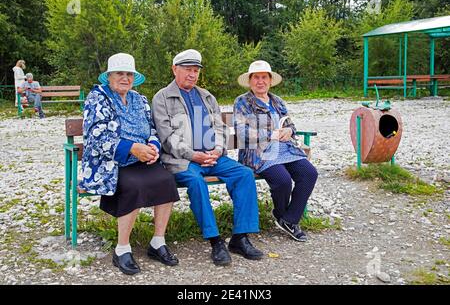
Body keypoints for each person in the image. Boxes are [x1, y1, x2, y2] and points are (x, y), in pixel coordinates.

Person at [152, 49, 263, 266]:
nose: (192, 75)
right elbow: (167, 138)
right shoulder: (162, 98)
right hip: (182, 160)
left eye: (195, 71)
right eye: (187, 70)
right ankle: (215, 241)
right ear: (175, 69)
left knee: (244, 174)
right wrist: (194, 155)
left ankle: (240, 237)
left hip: (212, 157)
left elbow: (220, 128)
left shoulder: (206, 96)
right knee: (196, 182)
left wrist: (218, 150)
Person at [78, 53, 180, 275]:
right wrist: (132, 148)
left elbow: (152, 129)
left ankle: (157, 242)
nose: (125, 78)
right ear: (109, 77)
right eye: (119, 73)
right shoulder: (98, 97)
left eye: (129, 74)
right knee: (133, 186)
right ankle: (122, 248)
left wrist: (152, 146)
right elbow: (96, 137)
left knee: (166, 181)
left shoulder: (140, 99)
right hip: (112, 163)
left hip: (142, 159)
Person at [234, 60, 318, 242]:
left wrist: (289, 131)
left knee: (309, 173)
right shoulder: (242, 102)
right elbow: (242, 132)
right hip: (259, 153)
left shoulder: (277, 101)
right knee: (283, 180)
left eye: (264, 77)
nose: (260, 81)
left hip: (286, 150)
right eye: (256, 77)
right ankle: (281, 214)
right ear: (250, 81)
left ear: (270, 80)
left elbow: (290, 125)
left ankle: (289, 219)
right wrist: (270, 134)